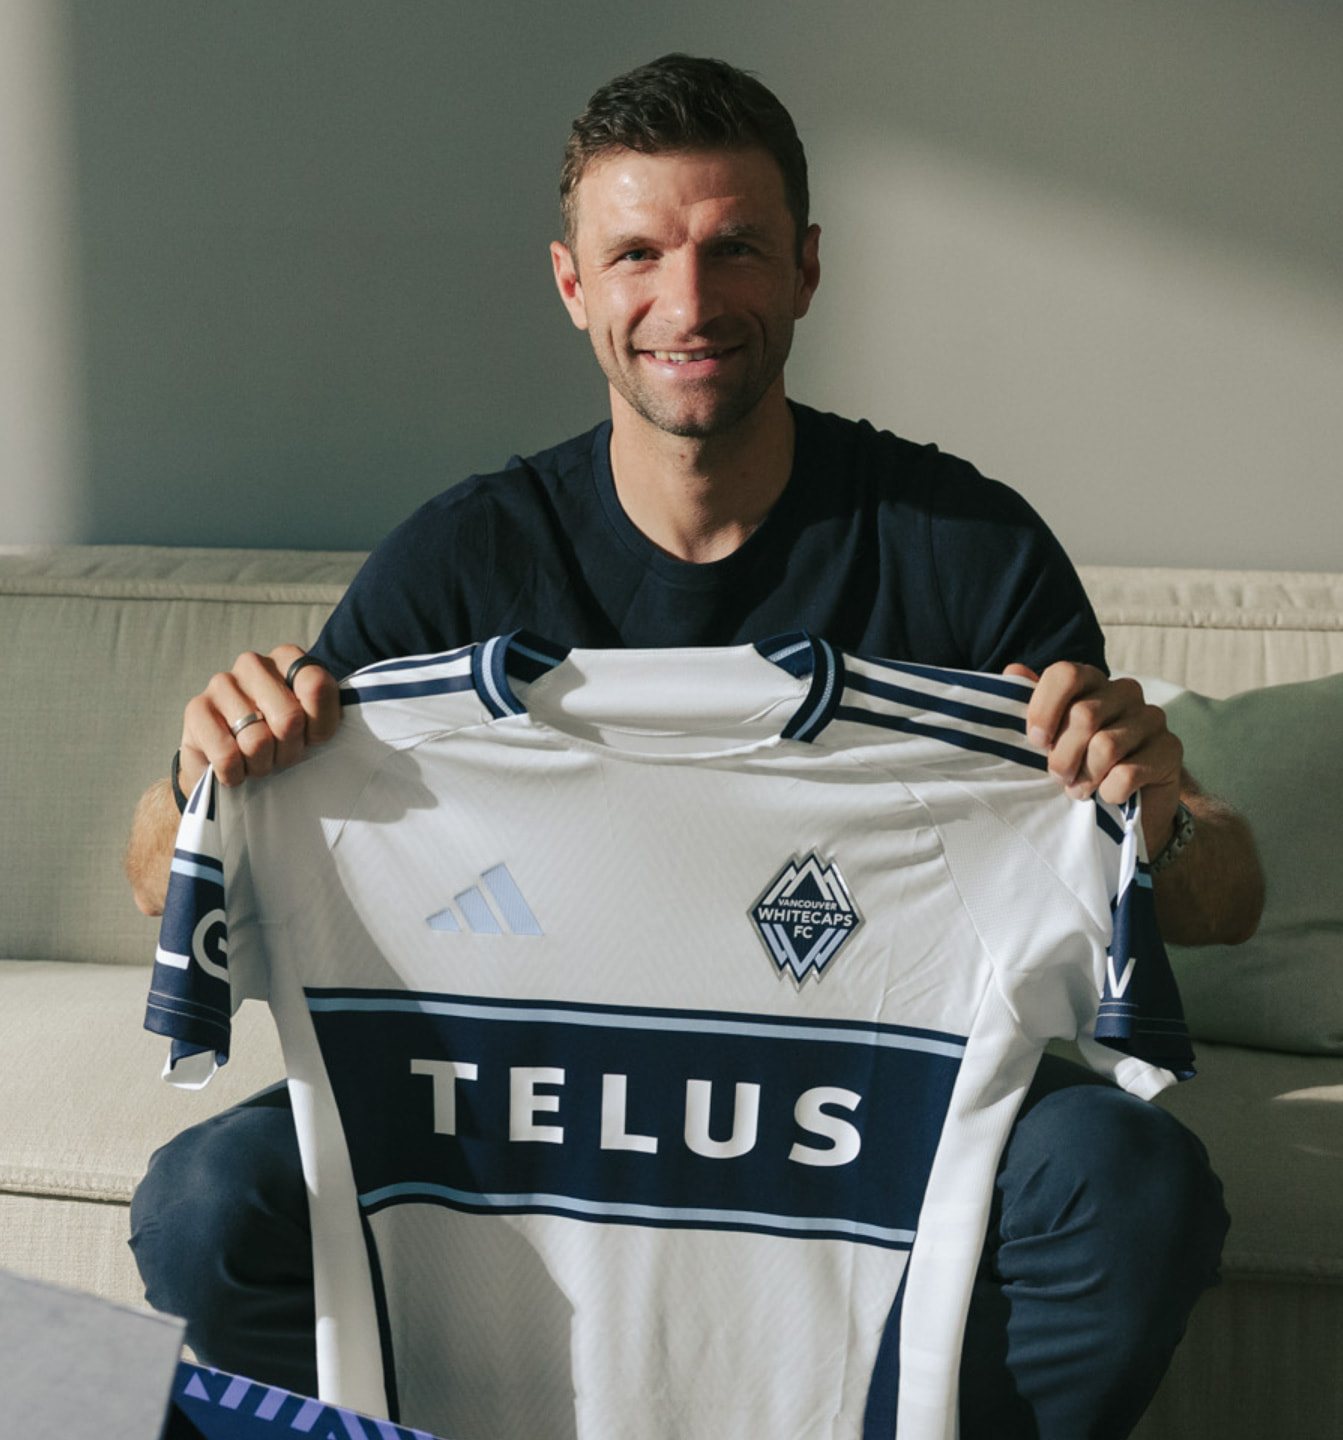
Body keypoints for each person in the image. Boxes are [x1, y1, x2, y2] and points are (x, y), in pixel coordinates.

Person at [122, 53, 1260, 1440]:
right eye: (640, 254)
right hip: (516, 1096)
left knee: (1134, 1184)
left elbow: (1220, 893)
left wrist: (1155, 806)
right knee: (203, 1208)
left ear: (807, 272)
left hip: (877, 1109)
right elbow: (168, 879)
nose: (690, 301)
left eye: (736, 252)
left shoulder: (962, 549)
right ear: (573, 285)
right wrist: (204, 770)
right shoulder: (467, 559)